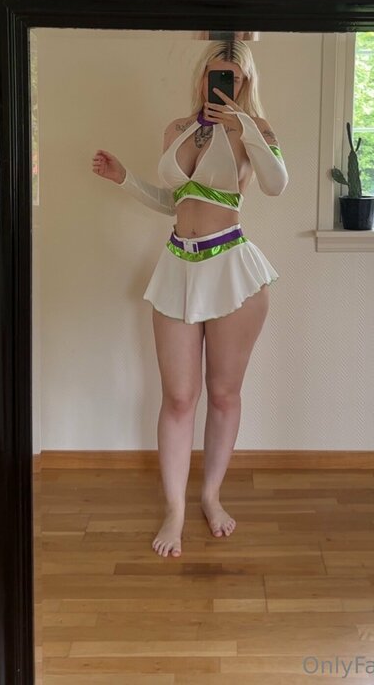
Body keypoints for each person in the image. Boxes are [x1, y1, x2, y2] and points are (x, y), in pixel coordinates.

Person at [91, 40, 288, 558]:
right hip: (178, 266)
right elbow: (176, 199)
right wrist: (124, 178)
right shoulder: (177, 129)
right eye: (211, 74)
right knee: (178, 398)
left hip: (233, 271)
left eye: (232, 78)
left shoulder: (254, 130)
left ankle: (210, 496)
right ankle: (175, 509)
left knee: (223, 395)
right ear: (200, 77)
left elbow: (276, 184)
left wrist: (244, 126)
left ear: (245, 84)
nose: (218, 84)